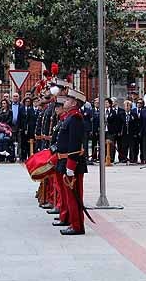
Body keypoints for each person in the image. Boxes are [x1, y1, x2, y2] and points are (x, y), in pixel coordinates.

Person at [56, 86, 88, 236]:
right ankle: (72, 221)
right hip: (66, 161)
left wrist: (70, 166)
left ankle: (77, 226)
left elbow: (75, 144)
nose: (66, 101)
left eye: (68, 99)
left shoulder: (75, 118)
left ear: (75, 103)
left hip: (72, 163)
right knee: (69, 195)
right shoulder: (70, 116)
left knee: (74, 196)